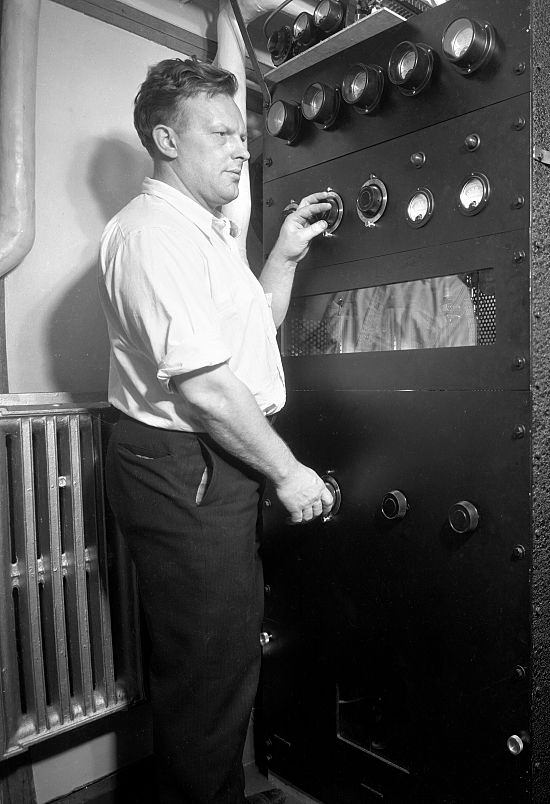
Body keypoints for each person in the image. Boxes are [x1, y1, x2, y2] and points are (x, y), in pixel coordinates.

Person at [97, 2, 333, 800]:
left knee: (226, 654)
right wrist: (290, 474)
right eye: (222, 134)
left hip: (214, 457)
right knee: (208, 669)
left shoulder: (206, 229)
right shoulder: (150, 235)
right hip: (184, 463)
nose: (243, 146)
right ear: (167, 140)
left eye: (243, 132)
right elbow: (203, 386)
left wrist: (284, 255)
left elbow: (247, 334)